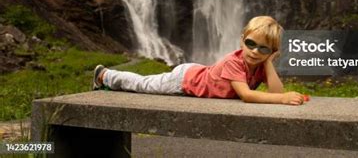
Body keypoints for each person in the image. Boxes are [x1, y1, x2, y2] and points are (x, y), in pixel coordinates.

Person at [93, 16, 307, 105]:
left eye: (264, 49)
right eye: (251, 43)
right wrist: (282, 99)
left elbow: (277, 92)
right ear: (242, 41)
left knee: (145, 83)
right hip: (185, 79)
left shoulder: (261, 64)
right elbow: (247, 96)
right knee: (143, 84)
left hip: (201, 72)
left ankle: (107, 76)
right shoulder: (234, 61)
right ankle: (105, 75)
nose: (255, 51)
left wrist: (268, 62)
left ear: (272, 51)